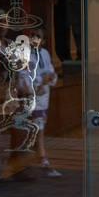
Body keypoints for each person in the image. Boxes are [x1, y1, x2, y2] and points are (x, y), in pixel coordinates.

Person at [27, 28, 60, 176]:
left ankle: (36, 157)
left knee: (39, 128)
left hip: (44, 97)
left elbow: (50, 71)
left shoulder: (45, 54)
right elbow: (27, 77)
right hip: (32, 97)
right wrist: (42, 80)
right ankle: (42, 158)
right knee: (37, 128)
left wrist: (51, 78)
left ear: (43, 41)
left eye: (38, 37)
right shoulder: (27, 55)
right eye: (33, 36)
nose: (35, 39)